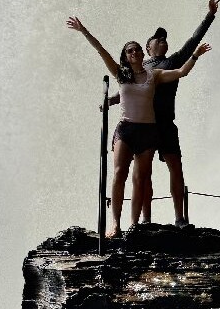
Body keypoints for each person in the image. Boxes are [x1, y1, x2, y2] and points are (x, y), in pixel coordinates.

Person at [66, 16, 211, 238]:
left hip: (154, 128)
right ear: (134, 53)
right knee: (125, 174)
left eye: (136, 51)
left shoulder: (159, 70)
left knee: (150, 175)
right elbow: (106, 58)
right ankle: (125, 222)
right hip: (130, 128)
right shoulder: (124, 73)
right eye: (130, 51)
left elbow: (183, 68)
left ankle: (155, 222)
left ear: (142, 53)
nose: (134, 53)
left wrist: (196, 53)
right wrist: (83, 30)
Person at [110, 0, 219, 227]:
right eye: (157, 39)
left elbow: (193, 40)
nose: (163, 41)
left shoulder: (173, 61)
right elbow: (129, 89)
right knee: (143, 174)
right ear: (147, 48)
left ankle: (180, 217)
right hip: (144, 125)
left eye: (165, 39)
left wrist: (210, 15)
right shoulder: (140, 68)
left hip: (165, 123)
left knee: (175, 166)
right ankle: (144, 220)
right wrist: (110, 100)